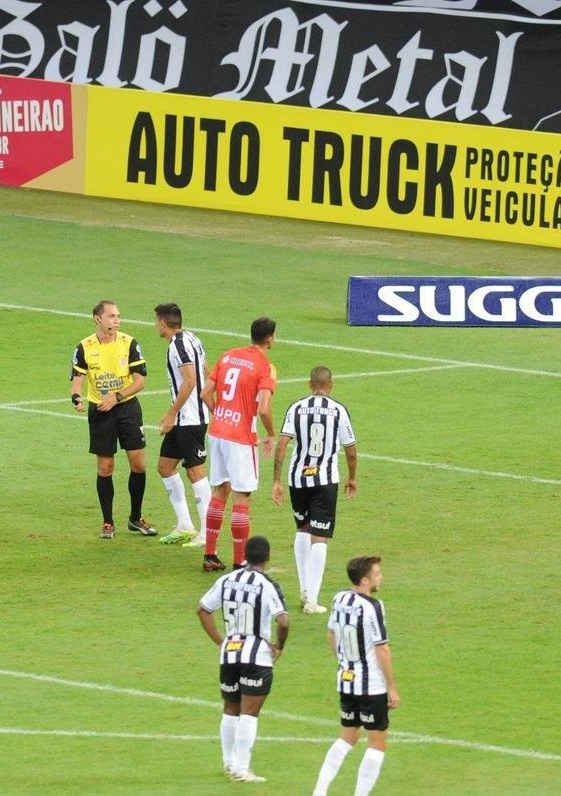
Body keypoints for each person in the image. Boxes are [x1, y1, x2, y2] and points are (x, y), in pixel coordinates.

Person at [197, 536, 289, 784]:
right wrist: (279, 647)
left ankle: (229, 763)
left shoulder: (226, 580)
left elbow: (203, 609)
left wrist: (221, 641)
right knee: (250, 712)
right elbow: (283, 621)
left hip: (230, 653)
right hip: (256, 655)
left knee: (230, 709)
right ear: (268, 557)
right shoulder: (267, 584)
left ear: (245, 555)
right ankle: (241, 768)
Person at [272, 366, 358, 614]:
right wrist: (352, 478)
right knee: (320, 536)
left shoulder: (296, 408)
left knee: (303, 529)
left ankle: (303, 589)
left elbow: (283, 444)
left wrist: (276, 481)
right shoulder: (338, 410)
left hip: (297, 479)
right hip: (325, 479)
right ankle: (312, 599)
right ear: (331, 385)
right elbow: (351, 450)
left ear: (310, 384)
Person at [312, 556, 400, 796]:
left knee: (347, 737)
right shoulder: (373, 606)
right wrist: (391, 687)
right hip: (370, 686)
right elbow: (381, 648)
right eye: (377, 573)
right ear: (364, 580)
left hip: (346, 680)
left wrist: (343, 662)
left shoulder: (339, 598)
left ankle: (319, 791)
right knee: (377, 744)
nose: (380, 577)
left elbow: (331, 634)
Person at [69, 300, 155, 539]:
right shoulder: (84, 347)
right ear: (97, 318)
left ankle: (135, 518)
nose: (116, 321)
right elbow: (76, 380)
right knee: (105, 468)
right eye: (111, 316)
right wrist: (76, 397)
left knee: (138, 464)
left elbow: (140, 381)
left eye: (118, 316)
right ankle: (108, 522)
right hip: (101, 412)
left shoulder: (129, 343)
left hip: (127, 409)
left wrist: (116, 397)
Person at [199, 318, 277, 571]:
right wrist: (270, 434)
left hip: (218, 432)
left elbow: (204, 393)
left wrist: (219, 413)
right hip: (241, 437)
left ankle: (210, 555)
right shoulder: (265, 366)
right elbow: (264, 408)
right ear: (271, 338)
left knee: (220, 490)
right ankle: (239, 562)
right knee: (242, 496)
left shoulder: (228, 356)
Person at [153, 302, 212, 546]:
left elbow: (190, 380)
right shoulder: (193, 338)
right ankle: (185, 525)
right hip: (185, 419)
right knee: (165, 467)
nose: (155, 325)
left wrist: (171, 414)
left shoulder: (177, 345)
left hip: (190, 419)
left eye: (156, 321)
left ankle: (208, 533)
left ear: (163, 323)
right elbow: (207, 373)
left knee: (195, 471)